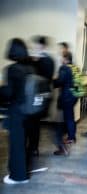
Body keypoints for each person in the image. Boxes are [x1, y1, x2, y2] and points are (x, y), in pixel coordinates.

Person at [0, 38, 30, 184]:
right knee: (23, 142)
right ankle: (22, 171)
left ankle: (18, 176)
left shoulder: (12, 69)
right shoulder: (30, 68)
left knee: (16, 143)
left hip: (17, 110)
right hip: (30, 111)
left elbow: (9, 93)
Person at [24, 35, 54, 157]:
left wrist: (35, 61)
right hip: (41, 96)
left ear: (41, 46)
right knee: (34, 123)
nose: (34, 48)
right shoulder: (48, 60)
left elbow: (40, 79)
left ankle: (32, 147)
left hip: (36, 96)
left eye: (36, 45)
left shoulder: (42, 60)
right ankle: (33, 147)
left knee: (32, 122)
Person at [53, 51, 77, 152]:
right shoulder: (74, 68)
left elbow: (60, 81)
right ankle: (72, 136)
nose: (60, 59)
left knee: (66, 118)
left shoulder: (64, 68)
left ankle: (68, 139)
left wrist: (54, 81)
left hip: (66, 96)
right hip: (73, 95)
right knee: (70, 117)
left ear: (66, 59)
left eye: (62, 57)